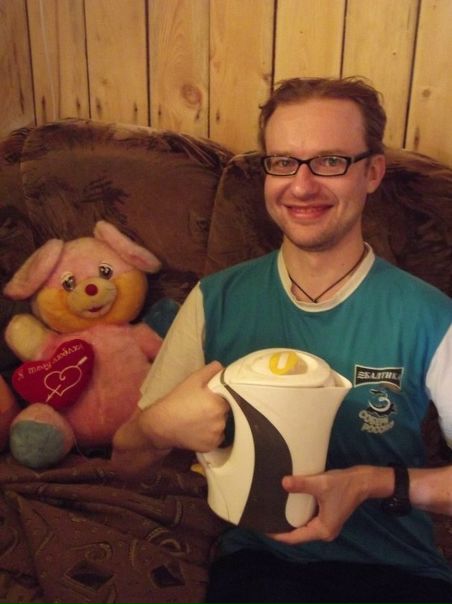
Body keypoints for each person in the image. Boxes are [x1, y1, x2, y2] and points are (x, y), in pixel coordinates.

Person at [112, 76, 452, 603]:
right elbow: (125, 464)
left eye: (330, 161)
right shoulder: (215, 300)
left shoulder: (430, 314)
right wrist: (155, 426)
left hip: (396, 571)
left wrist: (372, 482)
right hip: (259, 566)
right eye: (283, 162)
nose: (302, 185)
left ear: (372, 173)